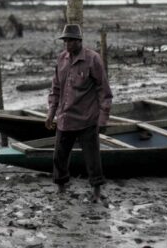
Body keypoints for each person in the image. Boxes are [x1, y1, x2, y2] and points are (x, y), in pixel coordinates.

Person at [45, 24, 112, 202]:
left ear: (79, 41)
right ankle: (61, 188)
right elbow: (55, 88)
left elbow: (103, 91)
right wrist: (51, 113)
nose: (67, 44)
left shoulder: (92, 59)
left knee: (92, 159)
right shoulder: (61, 59)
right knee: (59, 156)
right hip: (65, 117)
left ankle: (97, 191)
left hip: (87, 118)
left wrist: (103, 119)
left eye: (71, 40)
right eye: (65, 40)